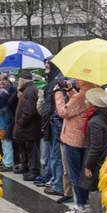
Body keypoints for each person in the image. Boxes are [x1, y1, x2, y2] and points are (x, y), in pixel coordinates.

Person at [55, 78, 95, 213]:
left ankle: (81, 207)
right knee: (81, 174)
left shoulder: (82, 95)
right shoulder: (92, 92)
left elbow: (64, 112)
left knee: (75, 174)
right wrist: (71, 91)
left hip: (73, 140)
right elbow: (78, 108)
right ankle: (85, 204)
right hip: (83, 139)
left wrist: (58, 93)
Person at [77, 88, 107, 213]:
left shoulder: (95, 122)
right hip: (106, 158)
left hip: (98, 160)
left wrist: (88, 166)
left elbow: (95, 147)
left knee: (93, 188)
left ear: (93, 102)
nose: (85, 101)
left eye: (87, 99)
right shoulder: (106, 117)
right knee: (102, 188)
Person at [38, 58, 65, 197]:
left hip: (55, 124)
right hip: (51, 123)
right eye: (45, 65)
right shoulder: (51, 81)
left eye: (48, 65)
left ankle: (58, 185)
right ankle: (55, 181)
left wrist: (52, 120)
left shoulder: (56, 82)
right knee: (52, 156)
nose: (45, 67)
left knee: (56, 156)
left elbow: (54, 106)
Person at [13, 70, 41, 181]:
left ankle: (34, 171)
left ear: (22, 80)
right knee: (26, 149)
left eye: (19, 80)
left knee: (32, 150)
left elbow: (28, 112)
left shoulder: (30, 91)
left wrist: (20, 123)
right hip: (27, 128)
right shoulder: (28, 90)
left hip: (29, 128)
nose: (18, 82)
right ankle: (26, 167)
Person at [0, 73, 17, 171]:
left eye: (4, 80)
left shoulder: (10, 90)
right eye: (0, 80)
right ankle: (5, 162)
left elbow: (7, 103)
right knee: (3, 142)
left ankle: (7, 164)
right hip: (1, 120)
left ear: (7, 81)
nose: (2, 82)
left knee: (7, 142)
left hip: (7, 120)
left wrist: (0, 94)